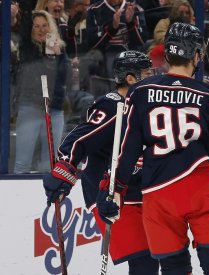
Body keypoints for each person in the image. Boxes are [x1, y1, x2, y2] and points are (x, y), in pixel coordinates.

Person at [97, 22, 209, 275]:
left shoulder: (140, 92)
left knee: (174, 266)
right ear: (196, 55)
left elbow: (127, 151)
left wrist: (114, 189)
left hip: (158, 193)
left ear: (166, 55)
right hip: (200, 189)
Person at [42, 51, 161, 273]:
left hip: (137, 192)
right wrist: (64, 172)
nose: (153, 78)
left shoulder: (144, 106)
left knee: (152, 260)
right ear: (130, 78)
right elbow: (80, 138)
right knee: (144, 260)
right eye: (147, 74)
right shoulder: (111, 106)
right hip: (107, 193)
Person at [13, 10, 68, 173]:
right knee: (23, 162)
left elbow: (64, 79)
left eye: (45, 25)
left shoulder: (59, 49)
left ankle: (48, 196)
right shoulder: (27, 48)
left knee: (49, 164)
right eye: (36, 26)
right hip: (30, 108)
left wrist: (58, 56)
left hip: (55, 110)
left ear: (51, 27)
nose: (41, 30)